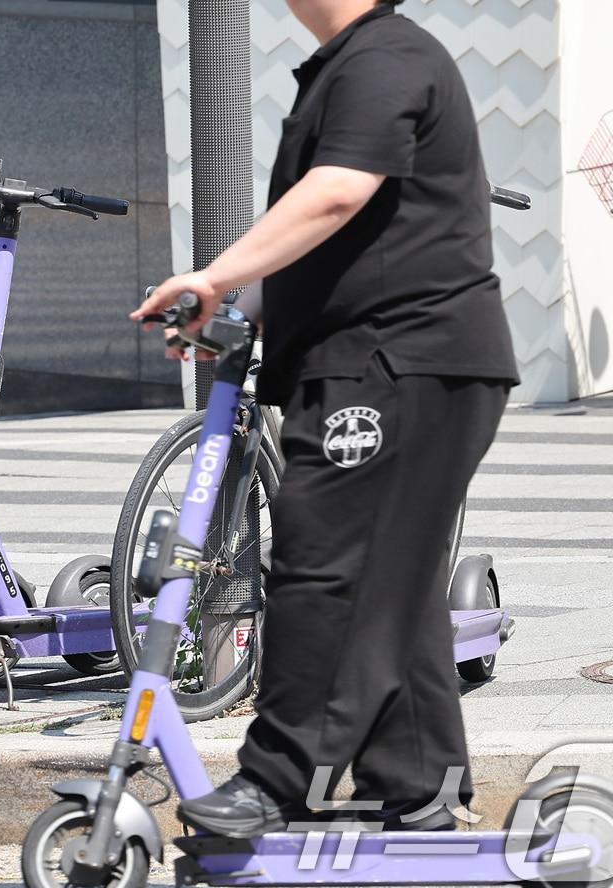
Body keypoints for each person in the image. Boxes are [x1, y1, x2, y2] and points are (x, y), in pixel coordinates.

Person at [133, 0, 520, 835]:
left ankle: (276, 777)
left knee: (327, 563)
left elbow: (336, 196)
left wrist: (213, 275)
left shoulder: (385, 59)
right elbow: (337, 239)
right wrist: (236, 304)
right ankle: (417, 778)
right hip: (389, 363)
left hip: (398, 364)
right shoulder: (352, 65)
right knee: (390, 574)